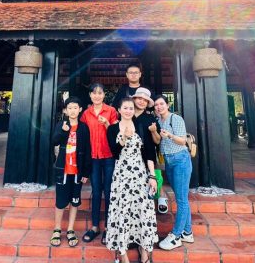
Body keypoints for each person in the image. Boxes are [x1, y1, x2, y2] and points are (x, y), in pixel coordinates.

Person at [106, 98, 158, 263]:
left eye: (131, 108)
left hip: (140, 175)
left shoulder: (141, 126)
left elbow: (149, 153)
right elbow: (114, 152)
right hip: (121, 176)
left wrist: (152, 176)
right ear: (119, 110)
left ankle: (144, 251)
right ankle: (123, 254)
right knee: (122, 210)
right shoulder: (113, 129)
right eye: (125, 108)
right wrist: (123, 138)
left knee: (142, 210)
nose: (128, 111)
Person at [50, 97, 92, 248]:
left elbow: (87, 150)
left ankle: (70, 229)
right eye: (70, 108)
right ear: (66, 110)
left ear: (80, 110)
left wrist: (86, 172)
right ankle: (57, 229)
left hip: (77, 171)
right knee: (61, 200)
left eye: (75, 107)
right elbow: (54, 141)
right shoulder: (61, 124)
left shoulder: (84, 128)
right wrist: (63, 131)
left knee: (75, 200)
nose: (73, 110)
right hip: (63, 169)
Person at [154, 95, 194, 250]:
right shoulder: (158, 121)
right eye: (156, 105)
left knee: (181, 199)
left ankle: (176, 235)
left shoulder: (175, 119)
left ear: (167, 104)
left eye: (161, 104)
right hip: (169, 161)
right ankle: (187, 232)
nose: (159, 107)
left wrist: (169, 135)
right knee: (181, 197)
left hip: (180, 159)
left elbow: (183, 140)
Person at [80, 83, 118, 244]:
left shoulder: (111, 111)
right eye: (94, 93)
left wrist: (107, 124)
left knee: (109, 191)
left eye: (100, 93)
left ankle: (109, 227)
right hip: (93, 158)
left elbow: (116, 134)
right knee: (96, 192)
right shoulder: (85, 114)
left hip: (109, 156)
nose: (97, 96)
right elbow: (82, 134)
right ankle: (95, 226)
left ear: (104, 95)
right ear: (90, 95)